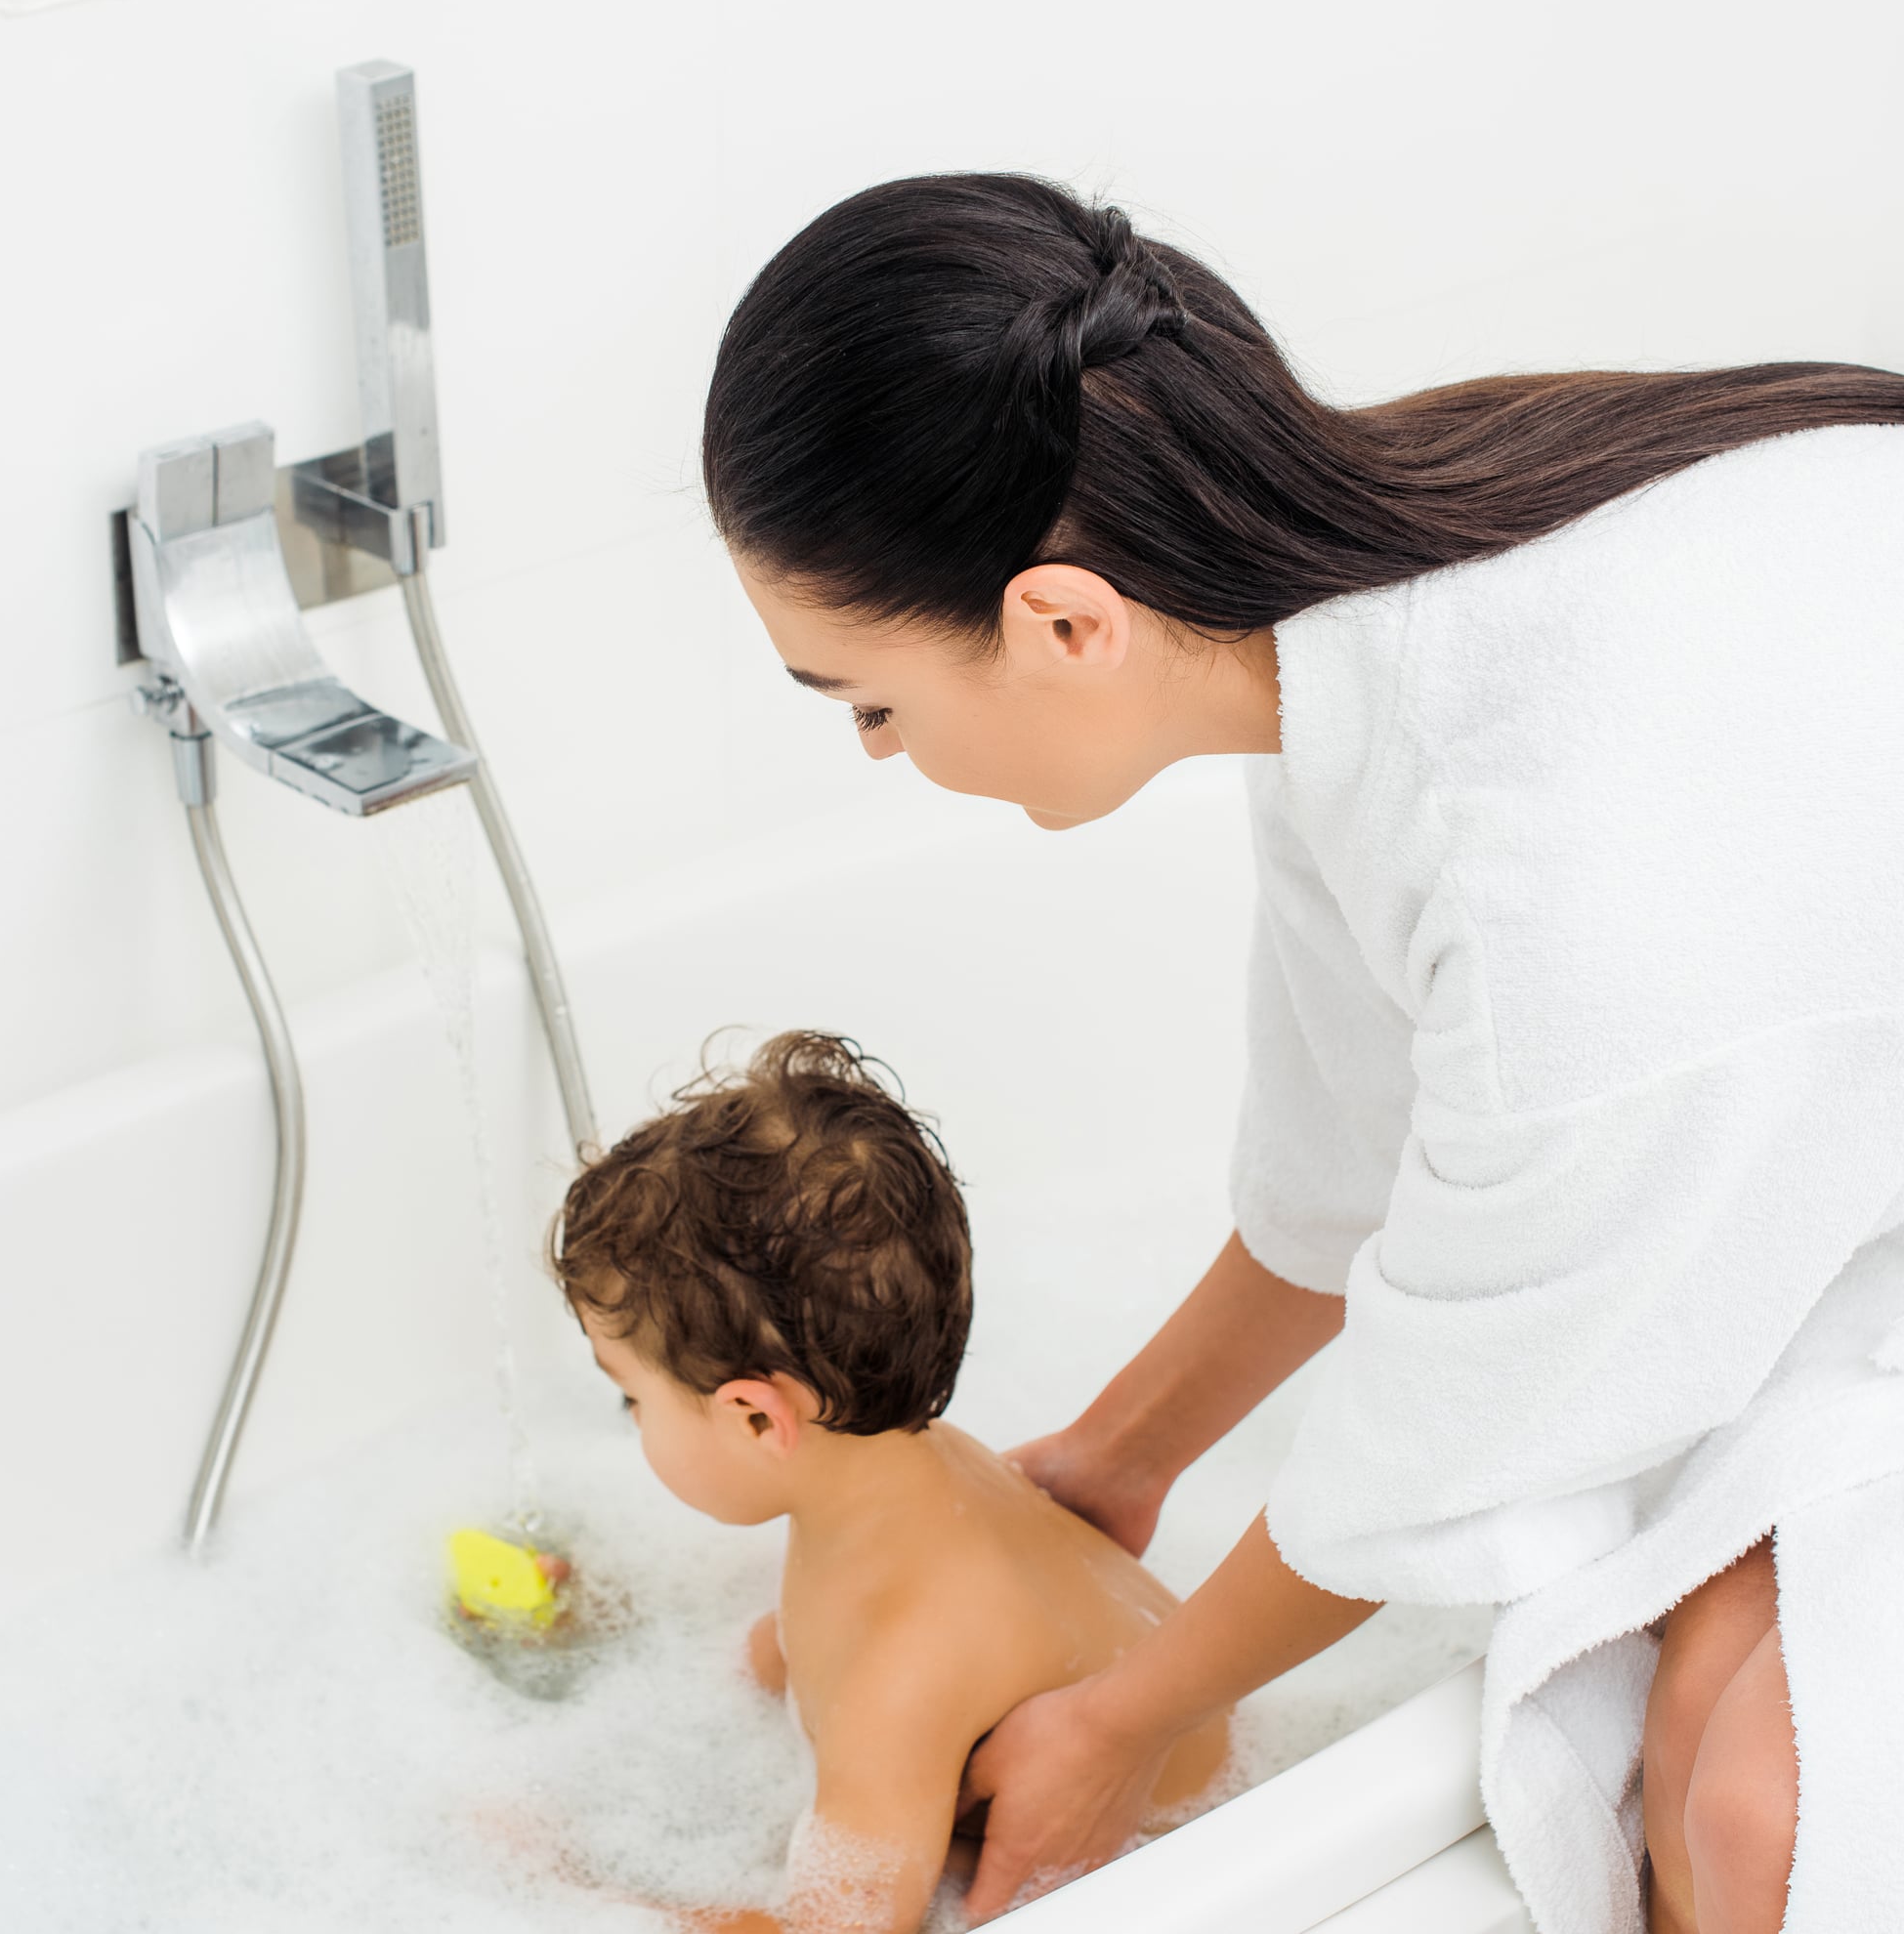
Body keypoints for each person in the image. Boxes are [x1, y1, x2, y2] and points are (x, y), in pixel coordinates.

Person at [698, 173, 1904, 1934]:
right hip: (1830, 1120)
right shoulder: (1362, 610)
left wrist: (1125, 1713)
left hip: (1796, 1128)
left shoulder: (1556, 891)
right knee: (1708, 1747)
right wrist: (1116, 1455)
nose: (876, 754)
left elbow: (1452, 1432)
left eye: (869, 700)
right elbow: (1358, 1158)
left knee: (1749, 1817)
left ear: (1062, 624)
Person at [547, 1030, 1238, 1934]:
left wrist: (572, 1891)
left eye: (632, 1400)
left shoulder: (899, 1677)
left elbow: (841, 1931)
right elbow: (806, 1641)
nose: (634, 1422)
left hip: (1197, 1863)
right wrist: (619, 1634)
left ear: (759, 1418)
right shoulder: (918, 1472)